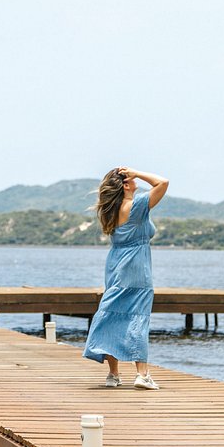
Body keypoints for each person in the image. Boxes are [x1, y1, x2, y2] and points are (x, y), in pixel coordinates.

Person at [82, 167, 169, 389]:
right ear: (125, 185)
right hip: (136, 268)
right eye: (130, 179)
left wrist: (132, 176)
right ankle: (142, 374)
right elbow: (163, 183)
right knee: (138, 317)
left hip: (115, 266)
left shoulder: (110, 211)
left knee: (113, 316)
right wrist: (137, 173)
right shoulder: (136, 206)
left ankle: (113, 374)